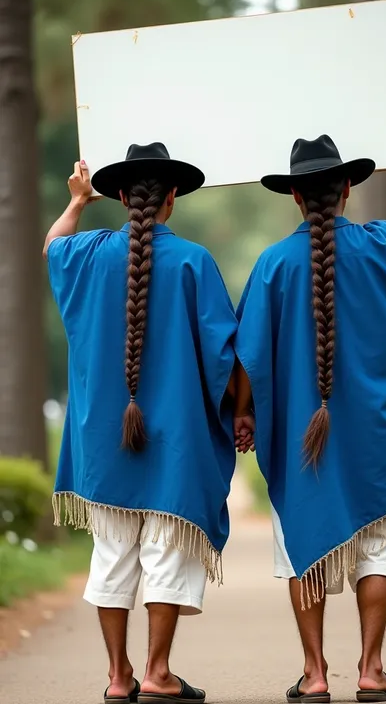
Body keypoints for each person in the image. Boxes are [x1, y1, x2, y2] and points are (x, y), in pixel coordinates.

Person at [234, 134, 386, 703]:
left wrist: (244, 414)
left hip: (297, 435)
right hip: (379, 432)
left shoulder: (271, 265)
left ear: (293, 197)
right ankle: (371, 668)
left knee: (303, 545)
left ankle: (313, 675)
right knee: (379, 545)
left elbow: (247, 356)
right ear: (348, 188)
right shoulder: (384, 245)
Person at [44, 143, 238, 704]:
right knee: (166, 556)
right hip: (175, 443)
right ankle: (158, 673)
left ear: (122, 197)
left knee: (111, 556)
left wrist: (77, 200)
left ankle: (118, 676)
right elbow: (224, 355)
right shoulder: (194, 261)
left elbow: (51, 244)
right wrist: (240, 413)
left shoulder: (88, 253)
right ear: (173, 199)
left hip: (102, 442)